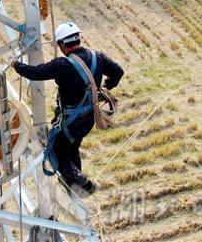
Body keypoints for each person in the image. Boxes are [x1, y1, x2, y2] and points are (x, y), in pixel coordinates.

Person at [10, 21, 124, 197]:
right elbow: (118, 71)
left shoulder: (62, 65)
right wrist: (105, 87)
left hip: (70, 121)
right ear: (78, 38)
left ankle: (82, 183)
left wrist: (16, 65)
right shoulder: (97, 57)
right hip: (88, 119)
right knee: (72, 147)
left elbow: (35, 73)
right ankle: (76, 184)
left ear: (62, 45)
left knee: (56, 152)